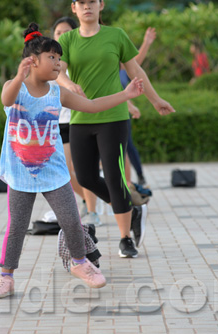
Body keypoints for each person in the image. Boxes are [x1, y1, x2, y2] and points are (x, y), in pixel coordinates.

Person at [0, 22, 144, 299]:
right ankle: (6, 276)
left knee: (71, 220)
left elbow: (92, 106)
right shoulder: (17, 89)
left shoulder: (57, 92)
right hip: (21, 173)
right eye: (52, 58)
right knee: (17, 227)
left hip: (54, 172)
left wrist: (126, 94)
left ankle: (80, 263)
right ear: (32, 61)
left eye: (60, 59)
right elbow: (6, 98)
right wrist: (17, 76)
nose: (59, 63)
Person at [57, 0, 175, 258]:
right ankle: (131, 209)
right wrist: (67, 84)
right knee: (85, 177)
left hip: (114, 118)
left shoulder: (116, 35)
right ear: (74, 7)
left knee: (114, 176)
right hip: (80, 118)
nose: (87, 6)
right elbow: (58, 71)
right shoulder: (67, 40)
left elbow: (136, 70)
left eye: (92, 2)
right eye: (81, 3)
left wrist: (156, 100)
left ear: (101, 6)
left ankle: (125, 239)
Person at [50, 16, 100, 226]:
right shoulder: (48, 62)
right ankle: (87, 200)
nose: (62, 36)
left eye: (65, 32)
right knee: (65, 174)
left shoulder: (76, 62)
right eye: (58, 33)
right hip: (56, 123)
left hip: (76, 120)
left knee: (80, 171)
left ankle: (92, 211)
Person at [120, 27, 157, 188]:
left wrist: (146, 43)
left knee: (127, 145)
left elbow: (135, 65)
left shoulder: (120, 67)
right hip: (101, 113)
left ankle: (136, 180)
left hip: (121, 113)